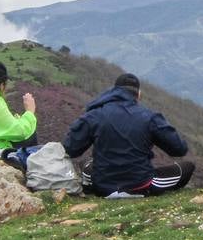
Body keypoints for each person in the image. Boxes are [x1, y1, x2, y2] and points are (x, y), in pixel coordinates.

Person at [62, 73, 195, 197]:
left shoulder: (94, 115)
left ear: (113, 91)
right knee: (188, 167)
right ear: (138, 94)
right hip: (141, 185)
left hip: (103, 187)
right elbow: (179, 149)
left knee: (87, 163)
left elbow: (70, 149)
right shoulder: (150, 117)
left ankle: (94, 188)